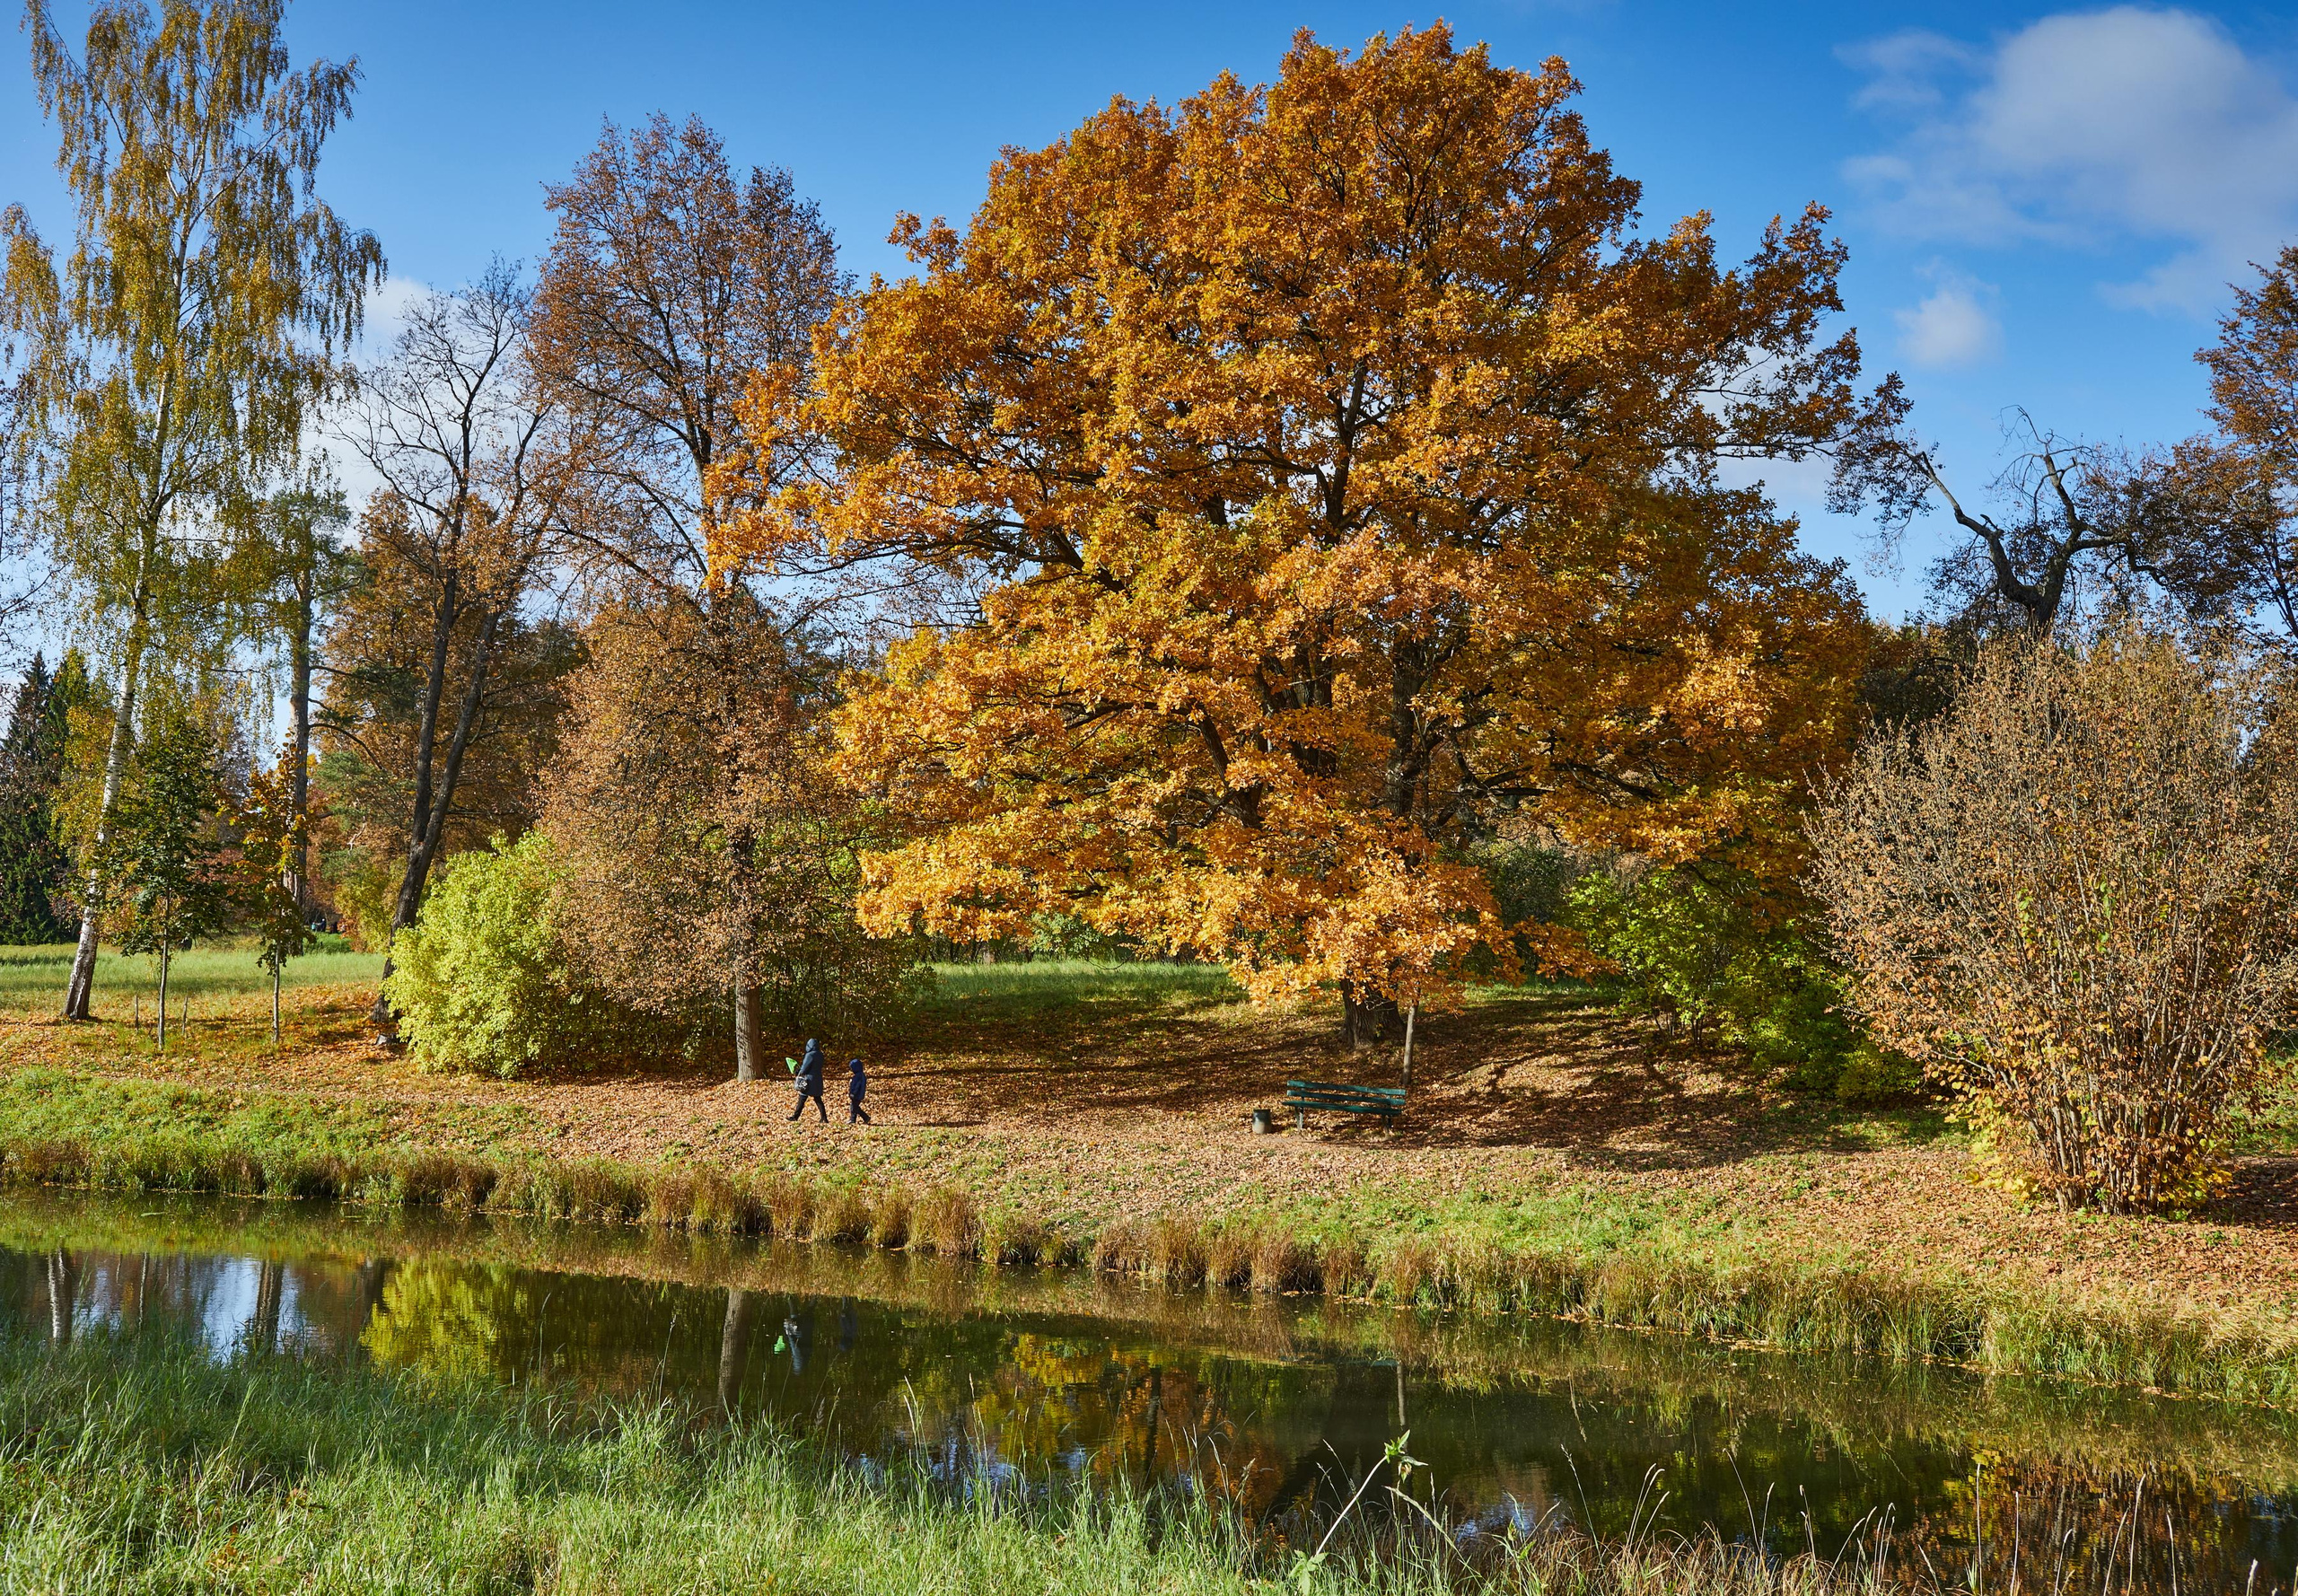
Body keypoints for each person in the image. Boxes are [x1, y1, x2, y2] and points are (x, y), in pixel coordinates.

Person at [787, 1038, 828, 1123]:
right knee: (818, 1099)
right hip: (818, 1079)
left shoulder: (810, 1055)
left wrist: (798, 1072)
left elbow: (805, 1067)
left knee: (802, 1098)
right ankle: (824, 1118)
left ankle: (795, 1116)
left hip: (809, 1080)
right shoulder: (820, 1054)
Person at [846, 1056, 872, 1125]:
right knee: (854, 1107)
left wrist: (853, 1093)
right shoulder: (861, 1075)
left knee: (854, 1108)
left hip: (856, 1095)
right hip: (860, 1094)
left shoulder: (857, 1077)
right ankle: (853, 1119)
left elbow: (856, 1086)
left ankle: (865, 1117)